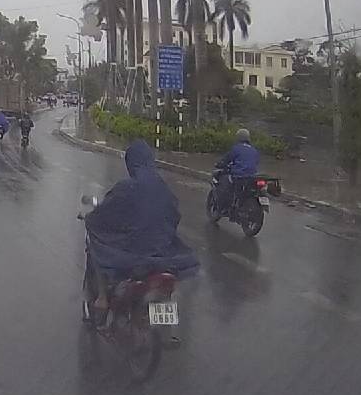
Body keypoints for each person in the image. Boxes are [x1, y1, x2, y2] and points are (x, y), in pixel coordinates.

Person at [84, 139, 198, 310]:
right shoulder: (164, 188)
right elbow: (174, 216)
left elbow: (106, 212)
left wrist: (90, 219)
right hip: (163, 252)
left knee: (96, 244)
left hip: (134, 252)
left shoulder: (127, 187)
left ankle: (102, 298)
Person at [214, 128, 261, 213]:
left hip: (239, 176)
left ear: (238, 137)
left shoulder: (236, 148)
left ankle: (224, 207)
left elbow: (226, 159)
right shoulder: (254, 150)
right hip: (252, 176)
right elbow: (256, 162)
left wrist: (219, 164)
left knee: (224, 184)